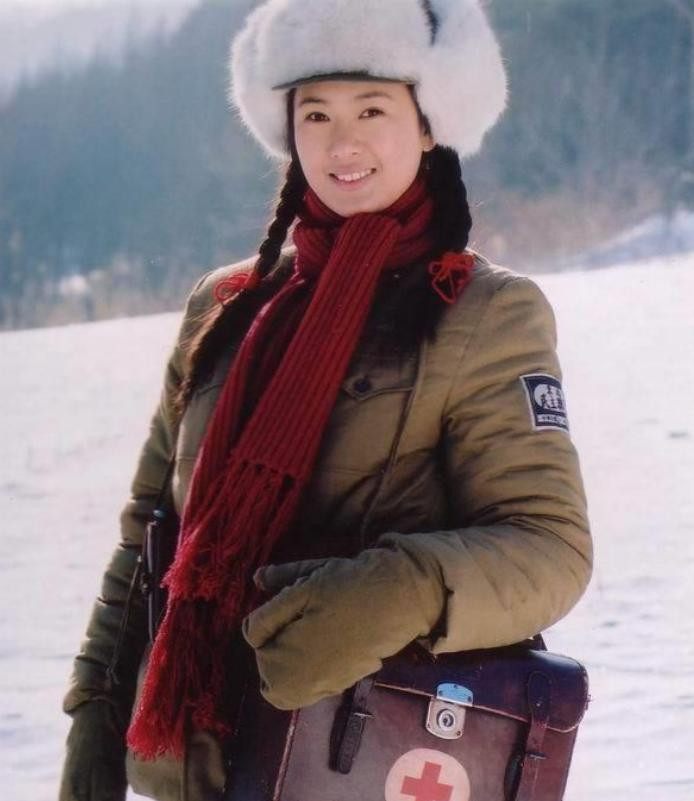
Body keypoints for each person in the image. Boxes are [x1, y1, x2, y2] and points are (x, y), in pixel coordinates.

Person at [58, 0, 593, 799]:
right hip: (193, 769)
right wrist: (95, 720)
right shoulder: (227, 305)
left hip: (358, 759)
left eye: (372, 110)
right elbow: (148, 535)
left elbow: (550, 547)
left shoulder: (483, 312)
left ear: (427, 124)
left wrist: (400, 590)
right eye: (316, 114)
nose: (342, 143)